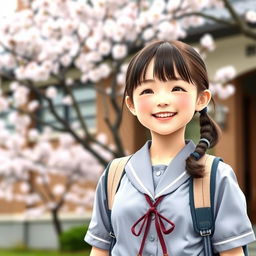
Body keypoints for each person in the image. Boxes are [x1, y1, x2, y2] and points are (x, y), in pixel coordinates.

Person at [84, 40, 255, 255]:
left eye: (177, 88)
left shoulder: (217, 176)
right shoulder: (114, 175)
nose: (162, 100)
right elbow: (99, 250)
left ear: (201, 99)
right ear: (131, 104)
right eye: (147, 90)